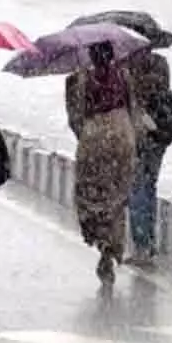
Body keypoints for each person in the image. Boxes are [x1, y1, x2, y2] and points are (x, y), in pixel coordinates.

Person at [65, 42, 137, 285]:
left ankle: (102, 240)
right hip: (122, 136)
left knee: (90, 194)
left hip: (95, 138)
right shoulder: (124, 75)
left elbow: (76, 117)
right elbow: (132, 108)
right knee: (117, 197)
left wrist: (87, 137)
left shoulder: (83, 80)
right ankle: (112, 246)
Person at [126, 49, 172, 267]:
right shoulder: (160, 63)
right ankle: (148, 244)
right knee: (148, 186)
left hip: (144, 135)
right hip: (161, 135)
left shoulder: (132, 67)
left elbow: (135, 100)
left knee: (137, 188)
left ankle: (142, 247)